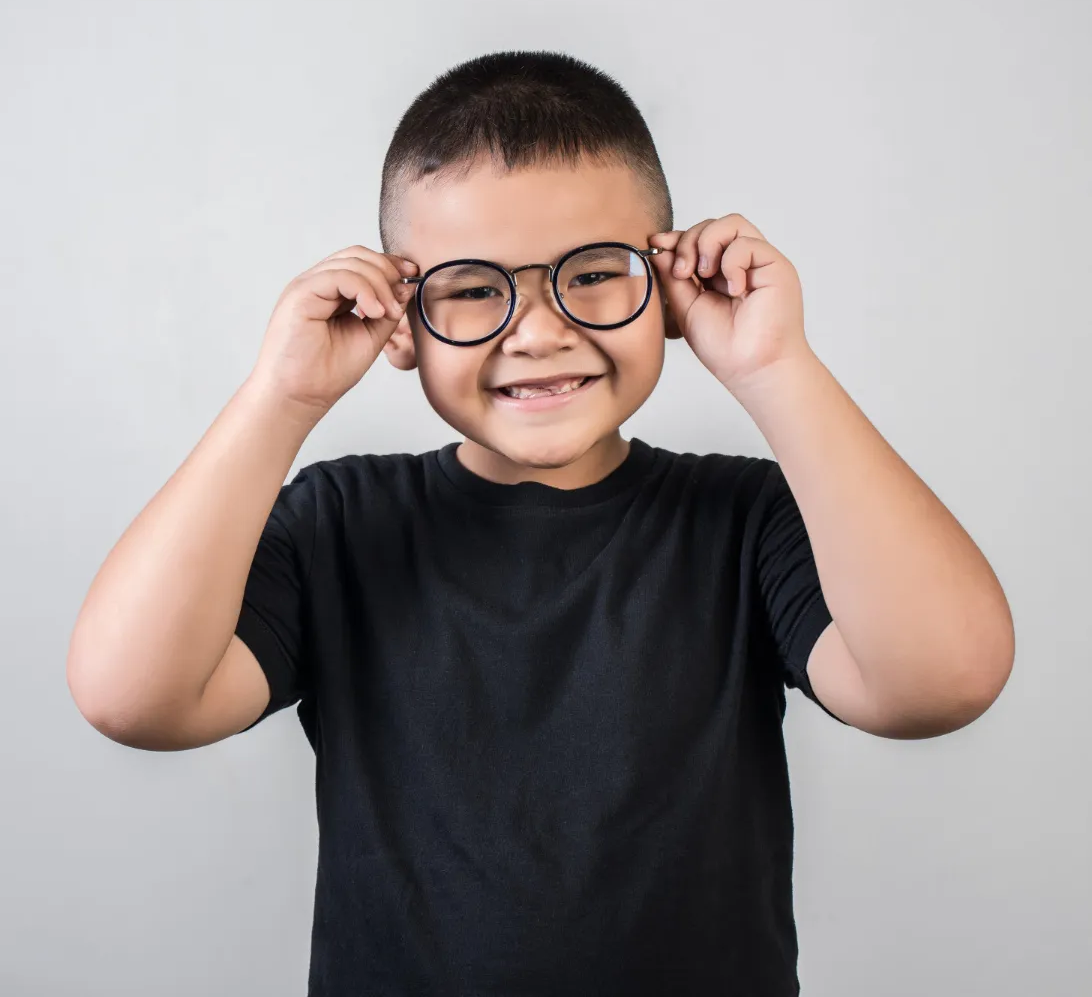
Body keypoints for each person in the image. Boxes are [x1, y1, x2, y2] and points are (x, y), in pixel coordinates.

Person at [66, 50, 1015, 996]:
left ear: (667, 283)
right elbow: (134, 698)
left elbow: (940, 684)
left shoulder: (745, 520)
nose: (539, 330)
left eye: (593, 272)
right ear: (400, 319)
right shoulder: (339, 526)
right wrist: (280, 397)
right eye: (474, 288)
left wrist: (776, 369)